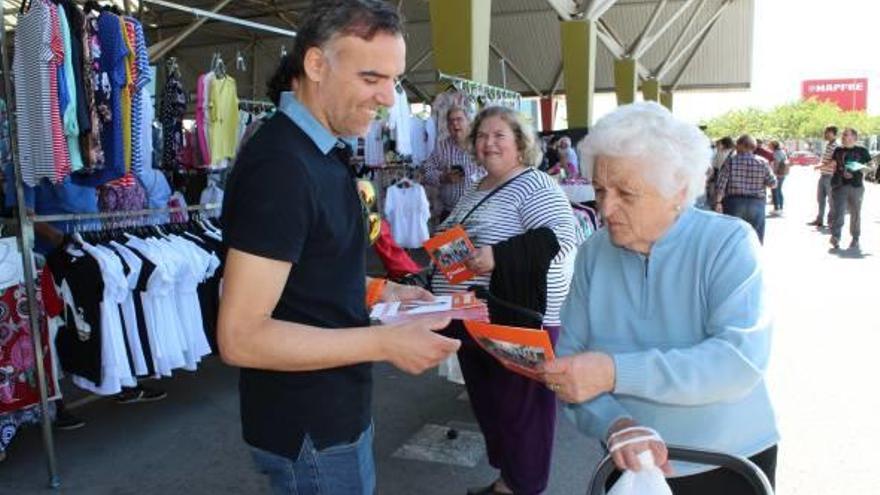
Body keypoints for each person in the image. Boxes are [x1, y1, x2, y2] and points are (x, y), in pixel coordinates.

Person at [217, 2, 460, 494]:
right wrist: (385, 342)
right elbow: (240, 336)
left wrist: (379, 291)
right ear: (315, 65)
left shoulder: (320, 152)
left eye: (393, 80)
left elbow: (306, 270)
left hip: (330, 413)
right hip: (310, 425)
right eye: (372, 77)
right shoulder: (282, 166)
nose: (389, 98)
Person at [542, 102, 778, 494]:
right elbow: (570, 363)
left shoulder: (727, 242)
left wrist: (614, 371)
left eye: (626, 193)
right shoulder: (594, 252)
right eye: (600, 189)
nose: (605, 208)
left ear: (678, 192)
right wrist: (614, 423)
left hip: (730, 459)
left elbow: (739, 360)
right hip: (629, 458)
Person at [431, 106, 583, 495]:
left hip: (515, 318)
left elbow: (564, 235)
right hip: (471, 315)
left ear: (520, 143)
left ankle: (521, 486)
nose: (488, 142)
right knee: (493, 405)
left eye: (500, 135)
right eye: (482, 136)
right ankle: (508, 480)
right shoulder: (476, 187)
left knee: (522, 409)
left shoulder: (533, 183)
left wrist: (498, 255)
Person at [422, 106, 485, 221]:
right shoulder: (441, 147)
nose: (455, 124)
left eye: (459, 119)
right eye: (451, 121)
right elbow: (426, 172)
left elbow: (494, 173)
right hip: (450, 213)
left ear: (468, 121)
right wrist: (442, 177)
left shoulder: (481, 144)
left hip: (477, 212)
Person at [713, 134, 777, 243]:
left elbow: (721, 185)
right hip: (757, 204)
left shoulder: (731, 161)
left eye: (737, 144)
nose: (735, 147)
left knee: (733, 238)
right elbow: (773, 184)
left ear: (741, 145)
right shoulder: (763, 162)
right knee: (755, 239)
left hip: (734, 203)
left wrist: (718, 202)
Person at [828, 127, 871, 250]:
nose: (843, 137)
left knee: (855, 213)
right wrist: (835, 167)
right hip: (839, 186)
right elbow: (833, 164)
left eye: (846, 135)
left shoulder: (862, 151)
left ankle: (855, 238)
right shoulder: (838, 150)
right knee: (838, 212)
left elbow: (871, 167)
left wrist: (857, 167)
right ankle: (835, 237)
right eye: (843, 135)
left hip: (856, 186)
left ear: (854, 137)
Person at [809, 126, 838, 228]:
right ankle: (819, 219)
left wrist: (820, 166)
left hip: (830, 176)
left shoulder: (835, 146)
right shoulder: (828, 145)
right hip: (823, 175)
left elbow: (833, 162)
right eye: (825, 132)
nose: (825, 134)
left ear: (833, 133)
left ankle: (832, 222)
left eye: (827, 132)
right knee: (820, 199)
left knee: (831, 201)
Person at [706, 136, 734, 207]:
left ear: (723, 144)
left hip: (720, 180)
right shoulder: (735, 153)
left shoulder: (720, 153)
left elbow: (714, 167)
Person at [769, 140, 789, 214]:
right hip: (782, 174)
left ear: (773, 145)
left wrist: (773, 172)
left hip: (778, 174)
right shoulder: (782, 151)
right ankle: (780, 207)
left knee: (775, 190)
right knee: (779, 190)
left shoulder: (776, 153)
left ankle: (777, 208)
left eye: (770, 145)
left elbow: (776, 163)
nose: (769, 146)